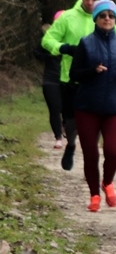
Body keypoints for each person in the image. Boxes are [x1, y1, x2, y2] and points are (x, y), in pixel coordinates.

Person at [69, 0, 116, 212]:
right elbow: (74, 74)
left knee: (113, 152)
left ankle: (107, 182)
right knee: (91, 154)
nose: (107, 19)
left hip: (115, 106)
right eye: (102, 15)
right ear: (96, 19)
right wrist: (92, 71)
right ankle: (94, 195)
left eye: (111, 16)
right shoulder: (85, 43)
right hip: (87, 106)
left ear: (115, 19)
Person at [41, 0, 107, 171]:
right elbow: (47, 40)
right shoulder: (68, 17)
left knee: (95, 121)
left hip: (96, 79)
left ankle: (91, 158)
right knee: (71, 122)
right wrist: (64, 48)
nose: (90, 2)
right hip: (70, 78)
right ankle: (70, 144)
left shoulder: (105, 16)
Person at [33, 10, 65, 149]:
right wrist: (49, 56)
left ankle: (66, 127)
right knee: (54, 108)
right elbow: (36, 53)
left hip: (68, 79)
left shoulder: (73, 38)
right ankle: (58, 137)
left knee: (68, 109)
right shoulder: (48, 38)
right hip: (50, 78)